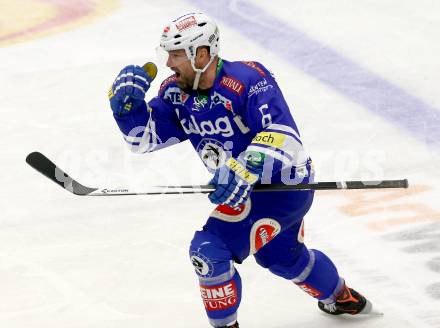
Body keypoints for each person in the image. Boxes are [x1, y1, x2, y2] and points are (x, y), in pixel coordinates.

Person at [108, 12, 373, 328]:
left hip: (283, 186)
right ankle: (340, 297)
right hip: (246, 190)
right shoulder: (174, 92)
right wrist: (128, 110)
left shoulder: (249, 79)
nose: (168, 63)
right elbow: (143, 140)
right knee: (282, 258)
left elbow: (285, 136)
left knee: (208, 252)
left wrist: (243, 169)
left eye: (176, 55)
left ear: (202, 54)